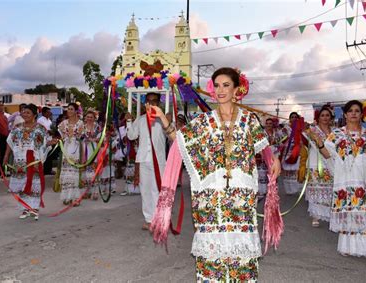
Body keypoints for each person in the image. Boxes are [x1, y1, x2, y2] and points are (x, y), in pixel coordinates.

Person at [150, 67, 282, 281]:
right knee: (213, 245)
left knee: (240, 243)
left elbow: (263, 146)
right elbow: (182, 141)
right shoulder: (204, 122)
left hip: (241, 193)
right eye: (217, 85)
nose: (220, 90)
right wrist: (164, 122)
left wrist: (272, 159)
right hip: (211, 196)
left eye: (226, 85)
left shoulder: (249, 120)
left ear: (236, 89)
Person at [313, 100, 366, 261]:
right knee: (350, 210)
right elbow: (328, 155)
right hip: (346, 180)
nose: (354, 113)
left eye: (357, 111)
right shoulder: (337, 135)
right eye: (350, 111)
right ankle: (348, 247)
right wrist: (318, 142)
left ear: (362, 114)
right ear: (346, 115)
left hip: (364, 179)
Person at [3, 104, 56, 220]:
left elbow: (44, 143)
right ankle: (25, 208)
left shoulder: (40, 129)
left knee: (34, 183)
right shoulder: (16, 128)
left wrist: (49, 143)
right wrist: (6, 155)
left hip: (34, 159)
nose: (25, 114)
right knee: (22, 183)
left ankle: (35, 209)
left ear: (34, 115)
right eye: (23, 112)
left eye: (28, 113)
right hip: (20, 159)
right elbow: (9, 142)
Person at [126, 92, 167, 230]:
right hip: (143, 159)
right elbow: (131, 136)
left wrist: (168, 120)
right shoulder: (141, 119)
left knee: (157, 190)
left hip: (159, 160)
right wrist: (128, 121)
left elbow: (172, 135)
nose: (152, 104)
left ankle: (159, 219)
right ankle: (149, 219)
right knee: (145, 190)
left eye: (154, 101)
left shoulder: (163, 120)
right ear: (145, 104)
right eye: (149, 101)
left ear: (159, 103)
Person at [304, 106, 335, 227]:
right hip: (315, 162)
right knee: (316, 188)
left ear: (331, 117)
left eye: (327, 115)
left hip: (330, 162)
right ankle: (315, 215)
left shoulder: (335, 131)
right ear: (318, 117)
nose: (325, 118)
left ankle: (328, 214)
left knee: (329, 189)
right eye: (322, 115)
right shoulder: (312, 130)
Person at [58, 103, 84, 205]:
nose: (69, 111)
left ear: (76, 111)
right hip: (66, 148)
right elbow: (61, 136)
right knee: (66, 173)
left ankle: (75, 198)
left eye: (71, 109)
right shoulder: (63, 123)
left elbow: (82, 138)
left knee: (74, 172)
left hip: (76, 148)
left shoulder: (81, 123)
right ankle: (66, 196)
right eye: (68, 109)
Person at [278, 112, 303, 195]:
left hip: (297, 152)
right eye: (292, 117)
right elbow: (280, 138)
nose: (294, 118)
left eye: (295, 117)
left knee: (295, 171)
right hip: (288, 152)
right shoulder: (286, 129)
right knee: (287, 172)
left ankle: (296, 189)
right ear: (289, 119)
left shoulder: (300, 129)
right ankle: (288, 190)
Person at [81, 108, 102, 200]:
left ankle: (95, 192)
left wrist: (93, 140)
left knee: (94, 172)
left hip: (94, 149)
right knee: (85, 173)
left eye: (91, 117)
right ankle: (87, 192)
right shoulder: (82, 127)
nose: (89, 118)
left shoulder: (98, 127)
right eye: (88, 117)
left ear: (94, 118)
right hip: (85, 150)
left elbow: (101, 138)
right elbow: (79, 137)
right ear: (85, 118)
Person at [38, 107, 56, 175]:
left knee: (50, 155)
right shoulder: (40, 120)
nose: (50, 113)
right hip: (44, 140)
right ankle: (44, 170)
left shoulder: (49, 120)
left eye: (50, 112)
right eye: (48, 112)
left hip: (50, 140)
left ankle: (49, 169)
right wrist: (48, 131)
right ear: (43, 113)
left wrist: (53, 132)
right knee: (44, 156)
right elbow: (40, 130)